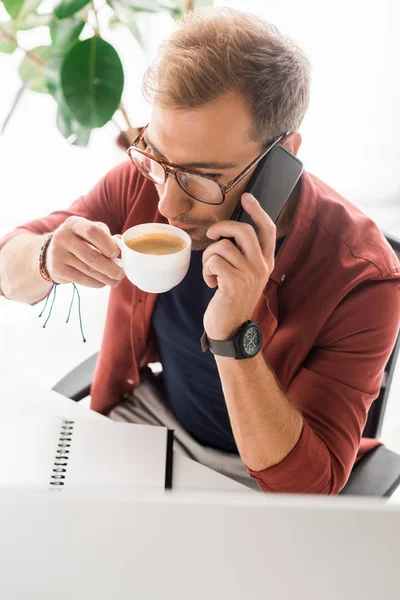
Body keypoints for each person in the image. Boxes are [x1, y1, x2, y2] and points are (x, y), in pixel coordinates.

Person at [0, 7, 399, 494]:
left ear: (284, 156)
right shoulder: (145, 180)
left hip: (262, 476)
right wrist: (46, 256)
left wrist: (233, 335)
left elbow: (306, 486)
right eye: (161, 160)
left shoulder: (365, 279)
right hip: (150, 421)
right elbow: (7, 266)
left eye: (204, 177)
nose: (167, 203)